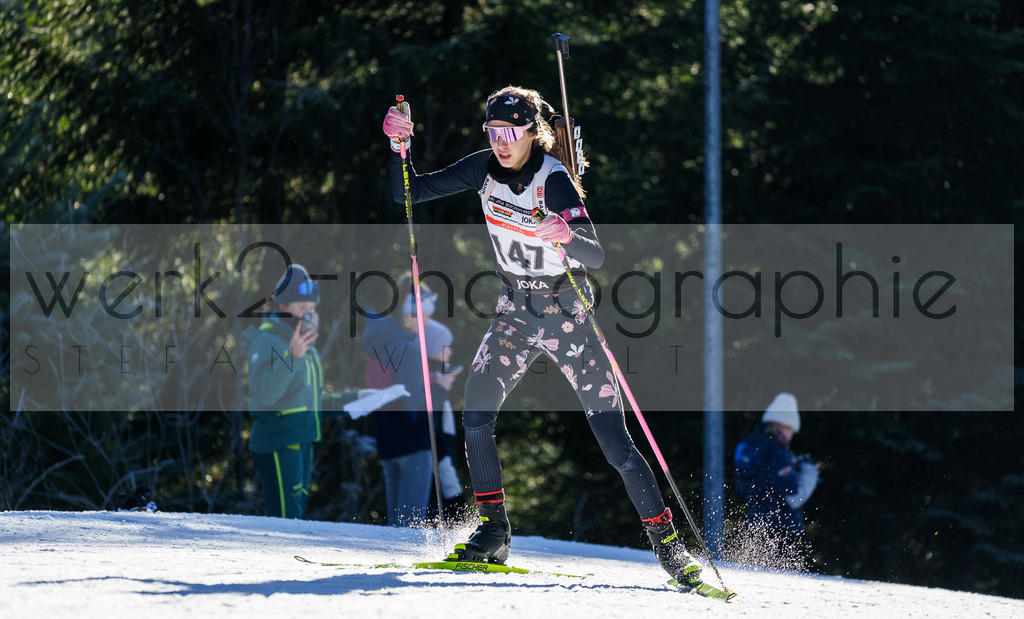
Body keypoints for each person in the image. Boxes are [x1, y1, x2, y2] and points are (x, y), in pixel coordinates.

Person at [380, 86, 704, 589]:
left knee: (614, 440)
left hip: (566, 314)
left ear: (533, 131)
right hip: (515, 310)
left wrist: (567, 235)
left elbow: (596, 256)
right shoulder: (482, 169)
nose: (501, 142)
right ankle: (494, 532)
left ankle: (669, 547)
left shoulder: (554, 181)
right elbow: (409, 192)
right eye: (493, 132)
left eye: (511, 132)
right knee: (476, 413)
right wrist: (399, 148)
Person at [241, 263, 368, 519]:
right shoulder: (266, 340)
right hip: (278, 441)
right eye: (301, 308)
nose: (308, 314)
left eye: (311, 309)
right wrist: (292, 356)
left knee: (294, 516)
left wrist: (355, 399)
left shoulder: (305, 347)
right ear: (282, 306)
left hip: (303, 438)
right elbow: (266, 394)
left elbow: (309, 401)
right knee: (285, 518)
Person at [362, 273, 465, 526]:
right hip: (413, 446)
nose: (428, 320)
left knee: (397, 524)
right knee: (410, 526)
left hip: (388, 442)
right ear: (410, 312)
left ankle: (389, 561)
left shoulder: (379, 341)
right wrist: (439, 388)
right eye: (425, 314)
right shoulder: (406, 348)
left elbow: (385, 393)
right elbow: (415, 410)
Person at [733, 392, 821, 565]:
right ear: (782, 425)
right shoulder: (779, 454)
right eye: (790, 429)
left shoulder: (748, 448)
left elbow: (763, 478)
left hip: (755, 523)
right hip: (782, 529)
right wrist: (810, 472)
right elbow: (795, 498)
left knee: (757, 574)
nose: (792, 435)